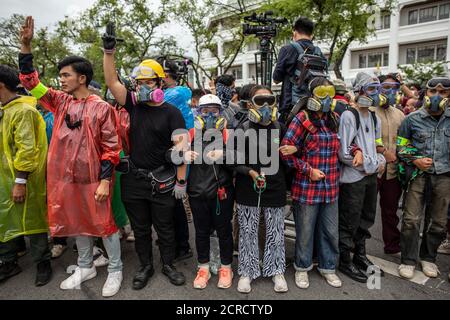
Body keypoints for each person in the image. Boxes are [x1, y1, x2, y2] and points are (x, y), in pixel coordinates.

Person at [19, 16, 123, 297]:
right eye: (60, 76)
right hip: (67, 178)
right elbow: (30, 82)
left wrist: (104, 181)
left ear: (82, 78)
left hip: (94, 179)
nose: (61, 80)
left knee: (104, 225)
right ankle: (85, 264)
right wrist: (25, 47)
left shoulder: (102, 108)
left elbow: (111, 147)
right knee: (77, 222)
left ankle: (115, 269)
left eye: (66, 75)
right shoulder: (59, 101)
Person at [102, 24, 187, 289]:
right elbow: (111, 81)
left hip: (162, 180)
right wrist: (108, 52)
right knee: (140, 230)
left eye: (149, 82)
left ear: (161, 83)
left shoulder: (172, 112)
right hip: (134, 180)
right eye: (139, 83)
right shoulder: (132, 104)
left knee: (165, 228)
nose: (143, 87)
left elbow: (182, 149)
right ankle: (145, 267)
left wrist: (181, 182)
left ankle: (168, 265)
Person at [281, 77, 342, 289]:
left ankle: (328, 268)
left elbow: (343, 147)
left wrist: (357, 151)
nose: (326, 99)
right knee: (305, 233)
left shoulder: (335, 118)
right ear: (312, 96)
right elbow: (286, 152)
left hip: (331, 187)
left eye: (330, 94)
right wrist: (308, 170)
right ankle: (302, 267)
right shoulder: (301, 118)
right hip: (307, 188)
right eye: (321, 94)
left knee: (330, 231)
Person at [0, 64, 52, 286]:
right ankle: (9, 261)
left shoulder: (23, 111)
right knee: (6, 219)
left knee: (33, 219)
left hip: (25, 178)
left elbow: (28, 149)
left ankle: (43, 262)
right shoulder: (6, 109)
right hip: (5, 179)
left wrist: (20, 181)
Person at [233, 85, 288, 294]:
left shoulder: (280, 127)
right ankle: (247, 271)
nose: (266, 105)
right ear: (250, 104)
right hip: (248, 187)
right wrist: (250, 172)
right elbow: (232, 160)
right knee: (248, 231)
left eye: (270, 100)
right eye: (260, 101)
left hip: (275, 187)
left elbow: (288, 159)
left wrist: (290, 151)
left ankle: (276, 270)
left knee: (276, 231)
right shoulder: (242, 127)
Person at [396, 77, 450, 279]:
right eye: (432, 92)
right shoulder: (412, 119)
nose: (436, 96)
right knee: (411, 219)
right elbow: (401, 146)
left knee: (438, 221)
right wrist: (416, 159)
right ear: (425, 94)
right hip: (417, 176)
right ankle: (408, 260)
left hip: (445, 177)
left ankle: (428, 258)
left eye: (443, 93)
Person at [338, 72, 386, 283]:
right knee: (349, 219)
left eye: (377, 89)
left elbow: (377, 146)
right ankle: (345, 259)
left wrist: (380, 160)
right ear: (359, 91)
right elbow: (344, 152)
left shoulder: (374, 117)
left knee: (366, 218)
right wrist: (372, 163)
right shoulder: (350, 116)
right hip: (353, 179)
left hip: (369, 176)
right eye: (371, 89)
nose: (376, 94)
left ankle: (360, 255)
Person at [185, 94, 235, 290]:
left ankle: (226, 267)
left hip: (221, 193)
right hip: (197, 192)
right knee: (201, 232)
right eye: (205, 112)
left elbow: (241, 159)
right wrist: (182, 153)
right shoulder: (189, 134)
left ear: (221, 113)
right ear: (198, 113)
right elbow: (168, 154)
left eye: (214, 111)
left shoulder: (228, 135)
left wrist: (224, 154)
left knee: (224, 231)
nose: (210, 116)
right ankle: (203, 267)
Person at [158, 58, 194, 262]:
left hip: (177, 148)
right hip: (179, 146)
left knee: (174, 200)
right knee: (173, 200)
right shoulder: (183, 91)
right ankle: (175, 241)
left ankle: (181, 245)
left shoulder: (171, 95)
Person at [273, 17, 326, 123]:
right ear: (311, 35)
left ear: (295, 32)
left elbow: (276, 79)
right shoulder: (318, 52)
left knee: (285, 138)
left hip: (291, 108)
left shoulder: (288, 49)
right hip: (314, 106)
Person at [374, 74, 405, 255]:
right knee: (365, 211)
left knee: (391, 210)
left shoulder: (400, 115)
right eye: (387, 87)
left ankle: (392, 245)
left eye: (395, 88)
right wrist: (383, 152)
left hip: (393, 172)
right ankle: (355, 246)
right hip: (373, 170)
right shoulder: (368, 111)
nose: (391, 92)